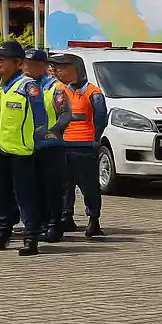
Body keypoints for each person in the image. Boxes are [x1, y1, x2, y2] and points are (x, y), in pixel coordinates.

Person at [0, 41, 47, 255]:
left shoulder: (28, 87)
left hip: (21, 153)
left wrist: (37, 143)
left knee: (25, 196)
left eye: (1, 60)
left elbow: (41, 120)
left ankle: (31, 236)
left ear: (18, 63)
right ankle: (0, 234)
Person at [50, 53, 108, 239]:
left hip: (84, 146)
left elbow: (100, 118)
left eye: (63, 68)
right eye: (57, 68)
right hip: (63, 144)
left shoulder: (93, 92)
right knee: (65, 184)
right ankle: (66, 216)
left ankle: (93, 219)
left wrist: (94, 139)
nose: (58, 72)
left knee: (88, 185)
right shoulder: (60, 90)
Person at [23, 49, 65, 240]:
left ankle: (54, 225)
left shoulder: (55, 88)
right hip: (29, 146)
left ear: (43, 66)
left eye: (30, 64)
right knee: (33, 188)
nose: (26, 67)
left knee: (52, 188)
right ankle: (38, 223)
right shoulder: (24, 85)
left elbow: (66, 115)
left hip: (51, 146)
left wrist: (52, 132)